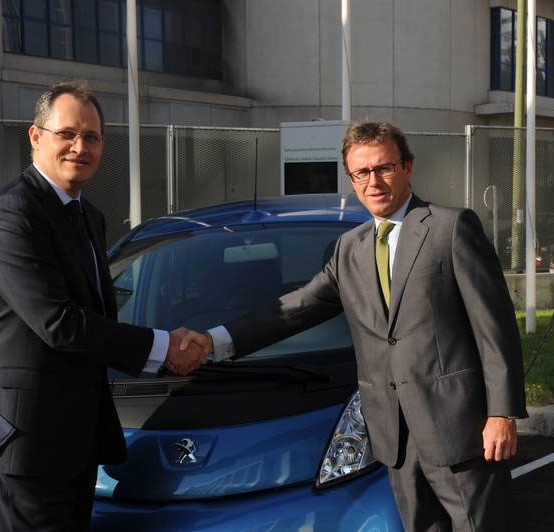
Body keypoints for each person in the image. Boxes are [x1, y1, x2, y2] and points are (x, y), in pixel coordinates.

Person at [192, 122, 527, 530]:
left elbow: (496, 328)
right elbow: (297, 308)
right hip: (394, 439)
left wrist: (502, 413)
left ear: (407, 168)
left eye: (384, 168)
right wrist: (214, 341)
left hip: (461, 432)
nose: (373, 182)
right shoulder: (349, 248)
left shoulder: (450, 228)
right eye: (361, 172)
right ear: (351, 179)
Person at [0, 80, 211, 531]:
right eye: (67, 134)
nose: (80, 147)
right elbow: (60, 323)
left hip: (75, 436)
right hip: (23, 440)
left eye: (91, 137)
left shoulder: (87, 215)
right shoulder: (9, 215)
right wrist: (164, 348)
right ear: (36, 137)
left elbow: (98, 317)